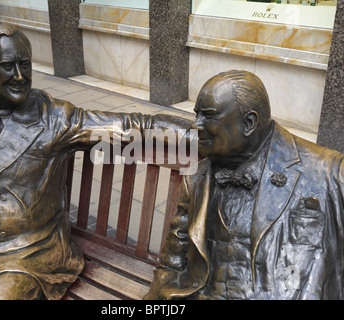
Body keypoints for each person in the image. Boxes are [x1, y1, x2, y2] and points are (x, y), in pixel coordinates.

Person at [0, 24, 192, 300]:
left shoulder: (56, 118)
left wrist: (199, 133)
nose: (19, 76)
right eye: (7, 66)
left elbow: (132, 125)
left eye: (25, 64)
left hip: (24, 254)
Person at [144, 70, 344, 300]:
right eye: (196, 114)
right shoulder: (197, 179)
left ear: (249, 123)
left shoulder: (328, 172)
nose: (196, 125)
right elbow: (172, 260)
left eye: (208, 116)